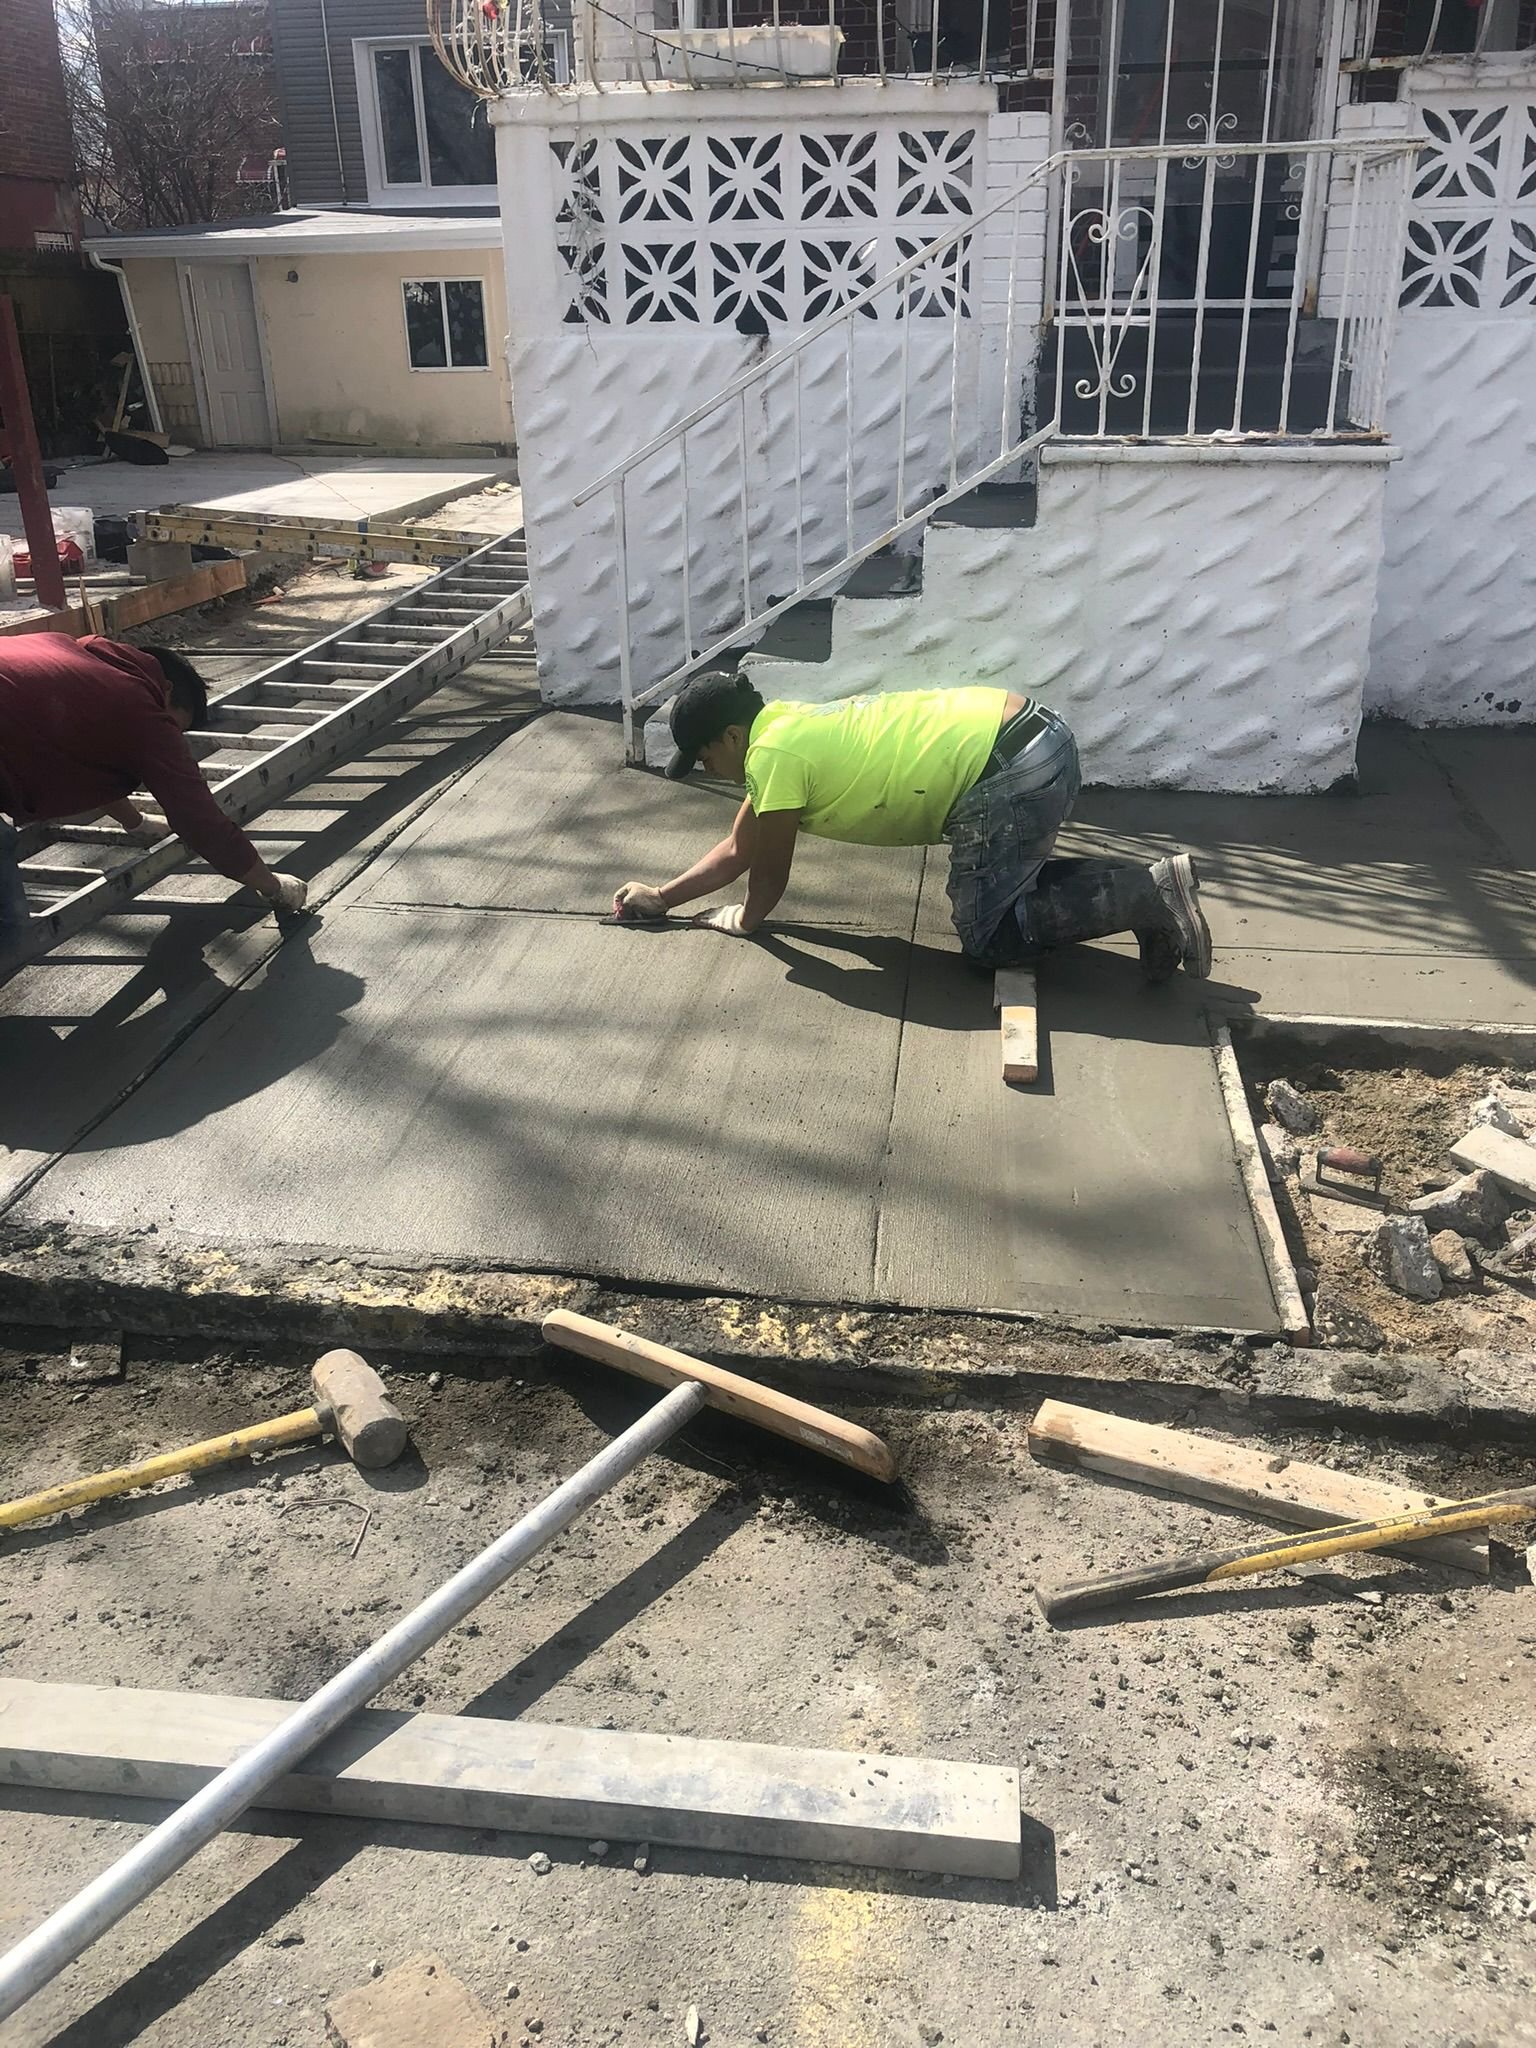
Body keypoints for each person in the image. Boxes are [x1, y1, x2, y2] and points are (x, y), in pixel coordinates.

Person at [612, 673, 1211, 979]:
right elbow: (743, 845)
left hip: (1004, 768)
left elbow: (768, 875)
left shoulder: (773, 757)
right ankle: (1153, 893)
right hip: (1031, 735)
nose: (709, 770)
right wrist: (661, 897)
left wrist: (744, 919)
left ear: (732, 737)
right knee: (1005, 885)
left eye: (706, 757)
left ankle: (1146, 894)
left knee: (990, 940)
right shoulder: (783, 730)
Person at [0, 634, 306, 971]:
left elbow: (88, 754)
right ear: (168, 691)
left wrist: (134, 822)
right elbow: (199, 820)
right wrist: (273, 887)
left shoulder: (73, 654)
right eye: (173, 727)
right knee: (9, 929)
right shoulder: (137, 706)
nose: (169, 738)